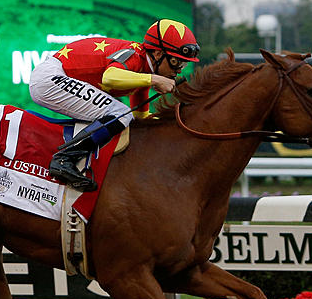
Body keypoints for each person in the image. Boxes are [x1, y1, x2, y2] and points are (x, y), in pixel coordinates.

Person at [29, 18, 200, 191]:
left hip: (54, 77)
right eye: (176, 61)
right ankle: (64, 159)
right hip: (49, 78)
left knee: (124, 116)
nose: (179, 69)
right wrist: (154, 79)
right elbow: (109, 77)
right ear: (157, 54)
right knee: (121, 112)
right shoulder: (135, 55)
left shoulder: (145, 68)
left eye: (184, 63)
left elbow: (140, 116)